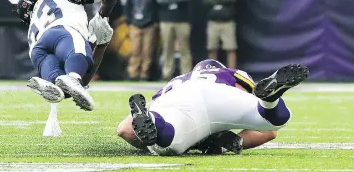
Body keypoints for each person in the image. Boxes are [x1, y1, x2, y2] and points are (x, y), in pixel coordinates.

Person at [117, 60, 309, 155]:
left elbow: (125, 130)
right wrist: (232, 142)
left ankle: (156, 122)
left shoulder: (176, 82)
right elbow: (269, 133)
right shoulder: (229, 73)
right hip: (219, 94)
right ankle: (271, 100)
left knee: (167, 143)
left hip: (177, 101)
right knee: (273, 121)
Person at [19, 0, 118, 111]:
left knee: (63, 88)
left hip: (37, 50)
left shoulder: (32, 30)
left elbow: (80, 86)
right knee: (78, 59)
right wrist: (103, 15)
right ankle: (72, 76)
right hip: (62, 32)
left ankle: (53, 81)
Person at [157, 0, 194, 80]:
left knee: (184, 49)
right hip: (167, 21)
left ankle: (186, 75)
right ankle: (167, 74)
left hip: (182, 21)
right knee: (167, 49)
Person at [125, 0, 159, 81]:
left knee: (147, 51)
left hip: (148, 25)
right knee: (135, 51)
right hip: (135, 25)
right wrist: (130, 22)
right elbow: (127, 9)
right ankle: (133, 73)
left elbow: (156, 9)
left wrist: (154, 22)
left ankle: (145, 74)